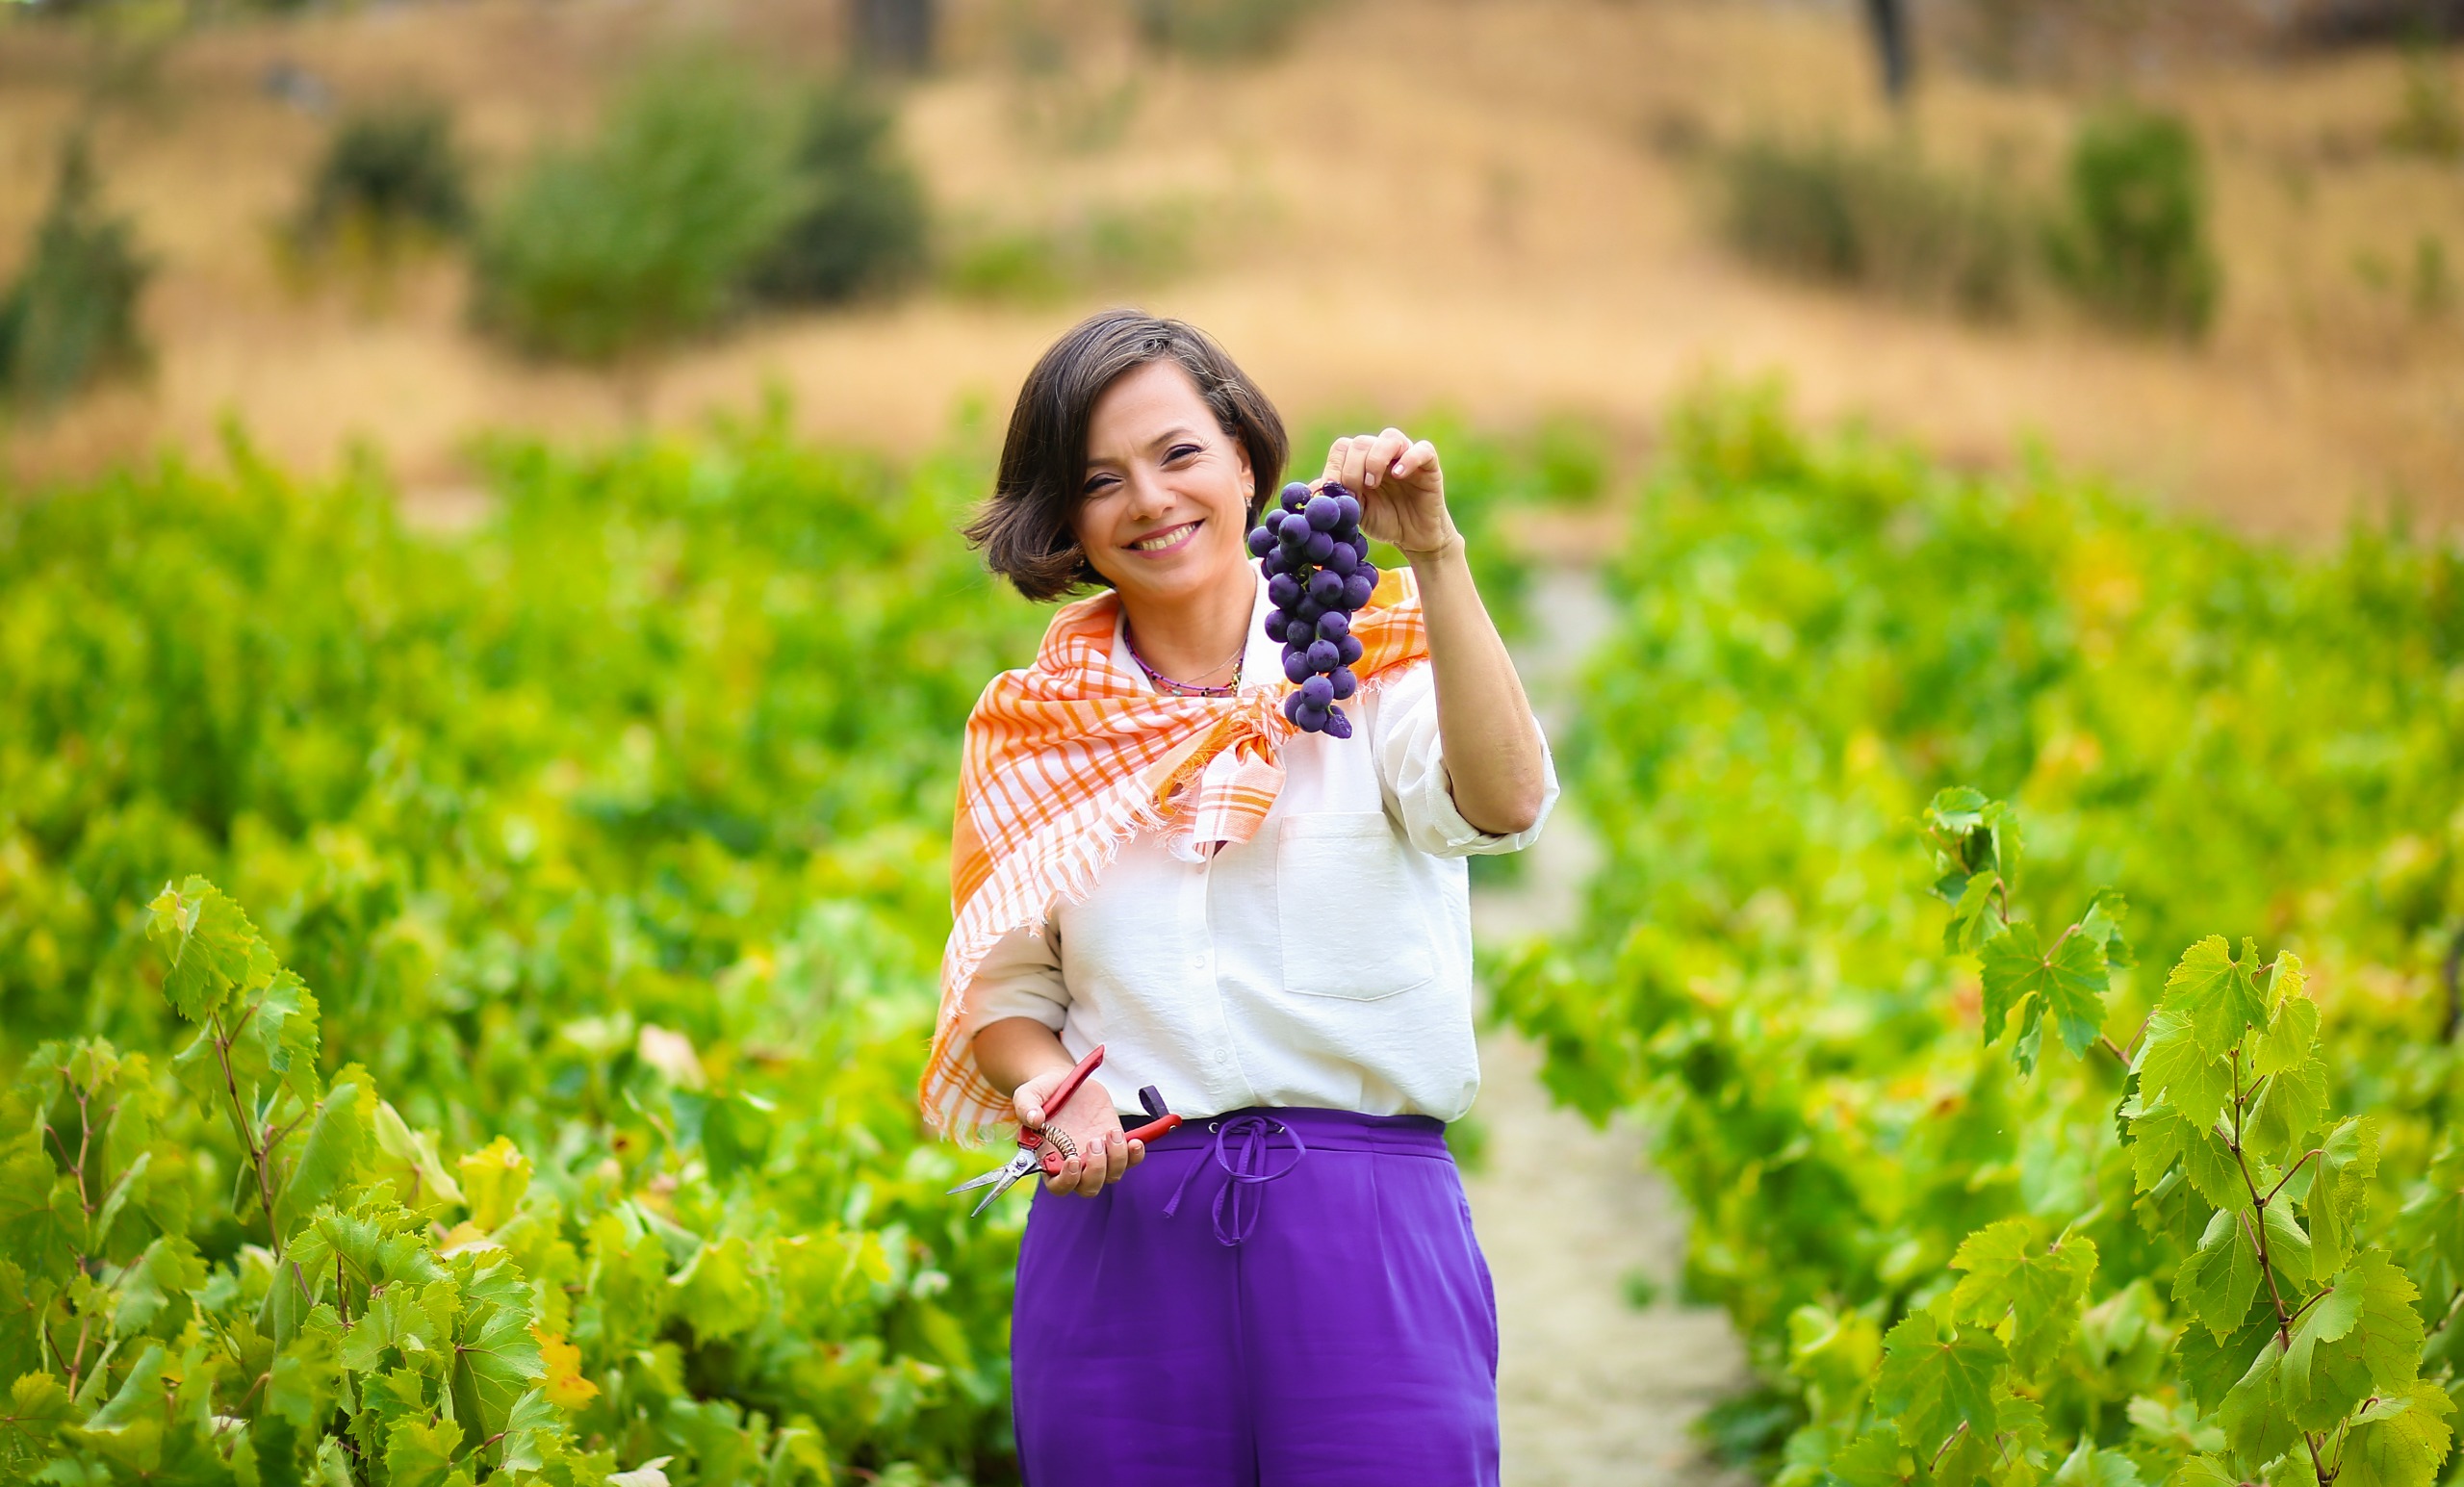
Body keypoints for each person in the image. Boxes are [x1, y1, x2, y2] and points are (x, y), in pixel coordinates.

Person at [924, 309, 1557, 1487]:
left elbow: (1506, 801)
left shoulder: (1370, 659)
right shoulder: (1032, 731)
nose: (1150, 501)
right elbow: (1003, 998)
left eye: (1177, 455)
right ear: (1062, 519)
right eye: (1099, 480)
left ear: (1244, 458)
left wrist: (1437, 554)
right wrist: (1049, 1094)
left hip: (1365, 1233)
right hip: (1120, 1243)